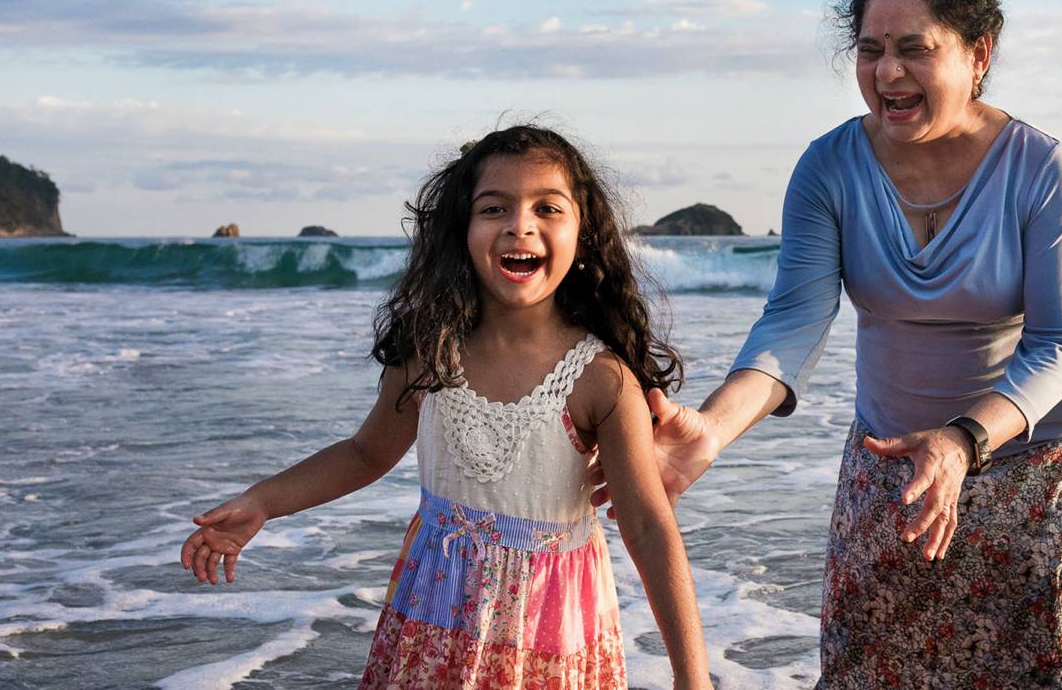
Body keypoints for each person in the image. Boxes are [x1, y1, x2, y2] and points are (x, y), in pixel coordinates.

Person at [602, 0, 1062, 688]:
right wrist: (712, 428)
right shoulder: (829, 167)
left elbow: (1060, 344)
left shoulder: (1041, 168)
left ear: (979, 54)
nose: (887, 72)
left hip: (1039, 471)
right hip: (891, 468)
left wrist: (962, 441)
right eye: (870, 50)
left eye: (914, 50)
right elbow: (793, 320)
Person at [180, 125, 712, 690]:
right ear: (461, 230)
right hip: (430, 623)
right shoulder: (429, 351)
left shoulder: (600, 379)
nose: (520, 224)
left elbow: (647, 525)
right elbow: (365, 454)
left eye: (547, 208)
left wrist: (691, 675)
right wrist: (263, 502)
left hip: (547, 635)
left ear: (583, 234)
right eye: (494, 208)